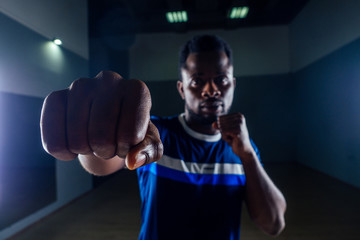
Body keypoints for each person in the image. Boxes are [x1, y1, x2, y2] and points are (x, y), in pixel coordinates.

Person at [40, 35, 286, 240]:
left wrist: (248, 155)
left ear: (232, 84)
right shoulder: (155, 133)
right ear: (182, 88)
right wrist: (94, 134)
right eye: (197, 81)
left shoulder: (243, 148)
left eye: (221, 80)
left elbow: (273, 223)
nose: (211, 90)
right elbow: (102, 162)